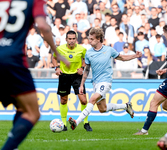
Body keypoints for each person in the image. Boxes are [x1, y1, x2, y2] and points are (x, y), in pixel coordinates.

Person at [0, 0, 70, 150]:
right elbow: (43, 26)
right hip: (11, 59)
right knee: (32, 113)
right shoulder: (34, 1)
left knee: (21, 106)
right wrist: (56, 52)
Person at [68, 28, 142, 130]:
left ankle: (76, 122)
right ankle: (126, 106)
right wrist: (81, 84)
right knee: (103, 109)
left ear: (99, 39)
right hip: (95, 82)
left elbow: (122, 58)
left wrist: (135, 56)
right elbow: (87, 70)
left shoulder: (108, 50)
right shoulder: (89, 53)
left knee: (92, 99)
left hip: (106, 81)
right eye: (89, 39)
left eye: (92, 39)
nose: (90, 41)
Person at [52, 30, 93, 131]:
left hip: (77, 77)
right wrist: (56, 68)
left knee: (84, 100)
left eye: (73, 39)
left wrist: (82, 68)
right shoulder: (60, 49)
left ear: (76, 39)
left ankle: (86, 123)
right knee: (63, 100)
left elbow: (86, 60)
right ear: (66, 39)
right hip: (64, 76)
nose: (72, 41)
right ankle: (64, 124)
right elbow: (54, 58)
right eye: (70, 39)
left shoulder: (82, 49)